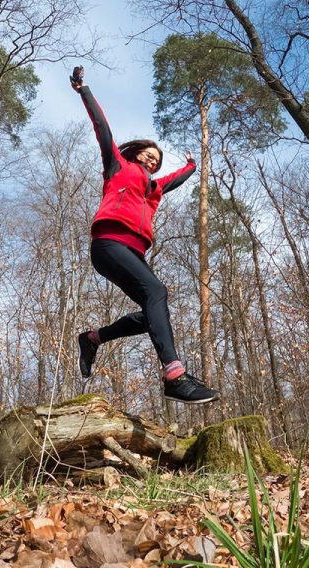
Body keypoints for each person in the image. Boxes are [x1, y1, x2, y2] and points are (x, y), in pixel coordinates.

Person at [70, 66, 219, 404]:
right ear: (136, 154)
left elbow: (174, 180)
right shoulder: (117, 168)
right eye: (149, 155)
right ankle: (174, 375)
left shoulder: (152, 189)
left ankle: (94, 338)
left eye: (157, 159)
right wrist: (85, 91)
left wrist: (192, 166)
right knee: (156, 292)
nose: (153, 161)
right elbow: (102, 130)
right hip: (109, 242)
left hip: (132, 252)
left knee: (152, 311)